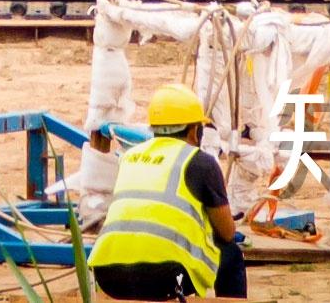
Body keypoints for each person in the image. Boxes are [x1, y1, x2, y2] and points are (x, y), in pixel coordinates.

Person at [86, 85, 245, 300]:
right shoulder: (200, 162)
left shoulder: (130, 156)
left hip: (108, 275)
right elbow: (226, 232)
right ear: (193, 130)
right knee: (230, 253)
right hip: (166, 277)